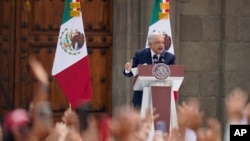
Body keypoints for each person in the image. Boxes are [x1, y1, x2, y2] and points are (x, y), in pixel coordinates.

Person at [123, 32, 175, 108]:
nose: (161, 45)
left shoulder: (169, 57)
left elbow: (173, 76)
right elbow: (129, 73)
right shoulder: (140, 54)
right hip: (141, 98)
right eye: (158, 42)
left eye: (162, 42)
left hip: (162, 98)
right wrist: (127, 69)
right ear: (150, 44)